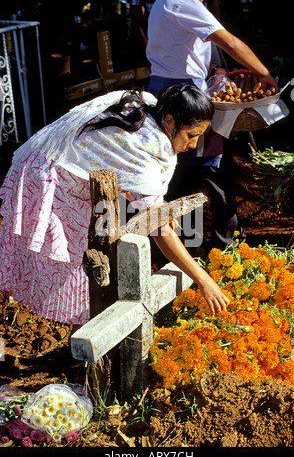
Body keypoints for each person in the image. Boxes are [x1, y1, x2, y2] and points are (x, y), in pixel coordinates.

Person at [0, 85, 230, 326]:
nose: (193, 145)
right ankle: (82, 335)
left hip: (56, 165)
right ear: (170, 122)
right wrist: (203, 279)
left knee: (83, 265)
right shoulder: (144, 151)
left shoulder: (153, 112)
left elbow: (149, 205)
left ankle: (81, 331)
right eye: (191, 135)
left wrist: (157, 210)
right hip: (48, 175)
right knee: (71, 266)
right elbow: (158, 229)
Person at [146, 0, 279, 250]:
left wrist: (217, 70)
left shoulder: (166, 1)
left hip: (169, 92)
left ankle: (188, 246)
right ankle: (219, 246)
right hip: (184, 97)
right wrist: (265, 74)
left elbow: (195, 44)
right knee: (209, 171)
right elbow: (230, 42)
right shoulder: (182, 2)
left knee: (181, 172)